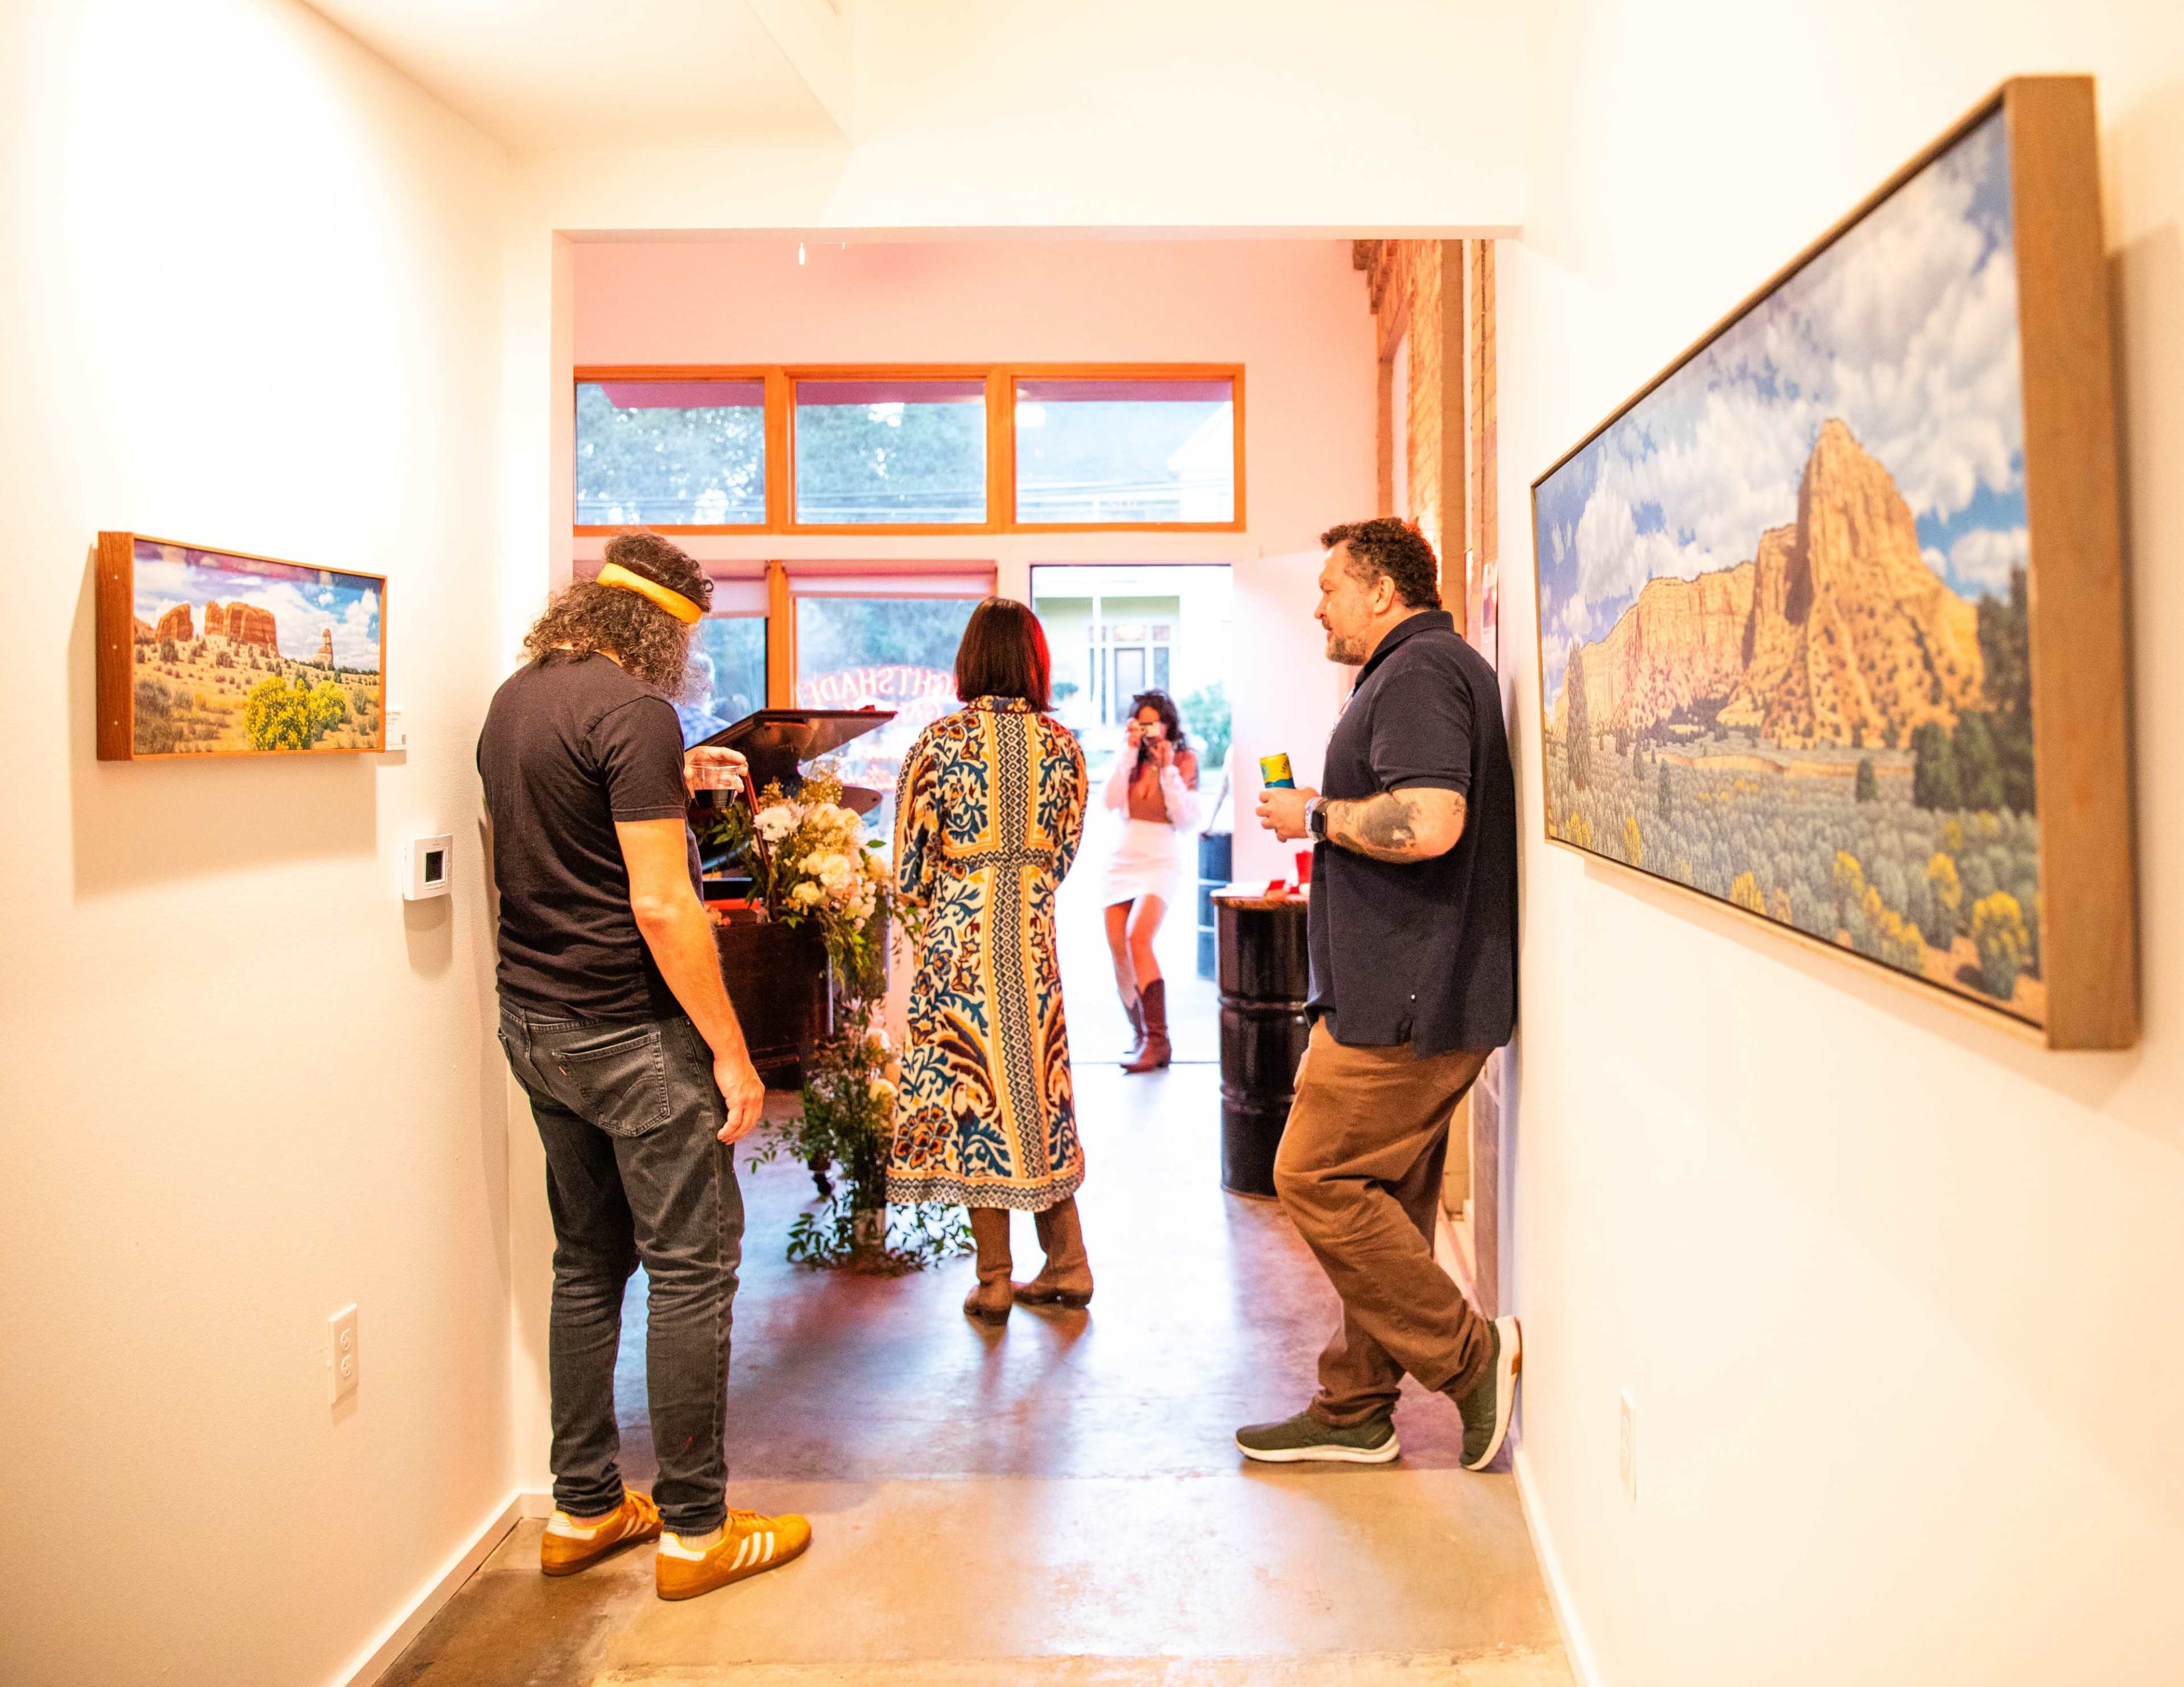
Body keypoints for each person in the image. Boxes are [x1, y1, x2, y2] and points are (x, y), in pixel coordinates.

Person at [477, 531, 810, 1601]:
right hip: (630, 1034)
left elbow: (544, 837)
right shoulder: (634, 710)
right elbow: (664, 904)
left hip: (534, 1021)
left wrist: (673, 773)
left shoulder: (515, 699)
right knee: (693, 1265)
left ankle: (581, 1508)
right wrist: (731, 1054)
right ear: (659, 629)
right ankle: (696, 1531)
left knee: (587, 1260)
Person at [1235, 518, 1521, 1472]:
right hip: (1404, 989)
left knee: (1311, 1176)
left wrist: (1315, 814)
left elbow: (1433, 822)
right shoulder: (1416, 672)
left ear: (1383, 591)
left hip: (1406, 998)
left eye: (1330, 586)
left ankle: (1471, 1359)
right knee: (1387, 1200)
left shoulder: (1421, 673)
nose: (1317, 603)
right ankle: (1354, 1405)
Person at [890, 598, 1093, 1323]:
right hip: (1033, 943)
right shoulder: (1064, 746)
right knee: (1039, 1095)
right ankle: (1069, 1260)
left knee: (975, 1096)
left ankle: (997, 1277)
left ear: (969, 659)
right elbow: (1066, 853)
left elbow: (910, 869)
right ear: (1036, 660)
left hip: (959, 943)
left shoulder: (939, 742)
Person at [1100, 689, 1202, 1072]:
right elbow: (1110, 801)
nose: (1147, 730)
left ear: (1167, 724)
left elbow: (1186, 818)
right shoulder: (1130, 758)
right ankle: (1140, 1034)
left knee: (1137, 936)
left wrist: (1167, 768)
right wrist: (1129, 753)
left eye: (1153, 722)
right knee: (1117, 947)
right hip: (1122, 858)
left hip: (1160, 858)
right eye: (1140, 722)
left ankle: (1159, 1041)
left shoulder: (1183, 759)